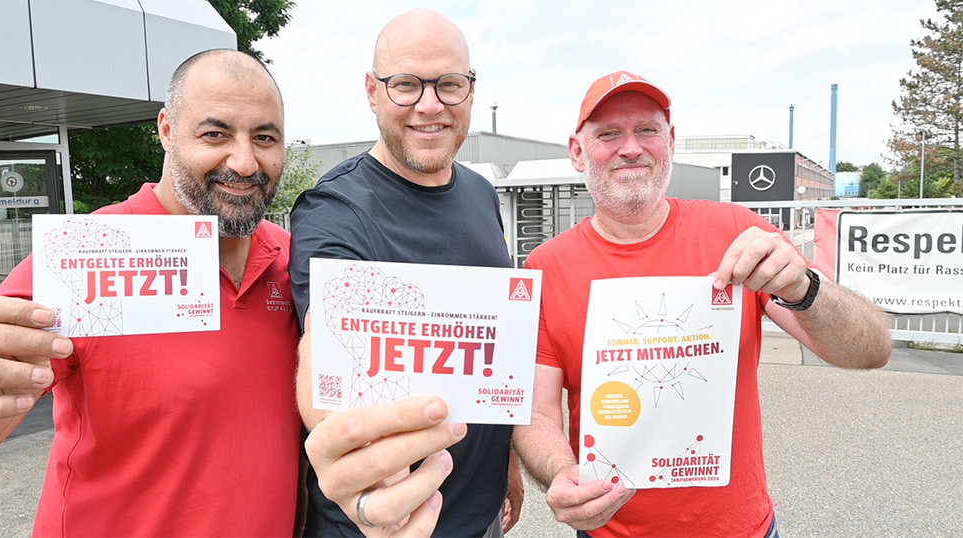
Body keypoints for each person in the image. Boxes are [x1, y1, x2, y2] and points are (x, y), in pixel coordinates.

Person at [511, 70, 893, 537]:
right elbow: (537, 412)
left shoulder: (736, 233)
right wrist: (560, 473)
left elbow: (870, 351)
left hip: (742, 529)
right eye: (609, 134)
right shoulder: (546, 266)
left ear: (670, 141)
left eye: (646, 130)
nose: (631, 147)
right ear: (578, 151)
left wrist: (805, 288)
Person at [0, 49, 303, 536]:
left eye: (264, 137)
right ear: (167, 131)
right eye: (215, 134)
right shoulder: (88, 256)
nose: (244, 161)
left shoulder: (293, 261)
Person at [289, 9, 523, 538]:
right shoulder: (335, 209)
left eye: (448, 84)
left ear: (470, 89)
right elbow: (323, 344)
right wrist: (353, 473)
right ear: (372, 91)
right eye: (406, 85)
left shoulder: (481, 194)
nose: (429, 105)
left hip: (481, 515)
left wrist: (504, 459)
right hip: (383, 523)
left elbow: (493, 346)